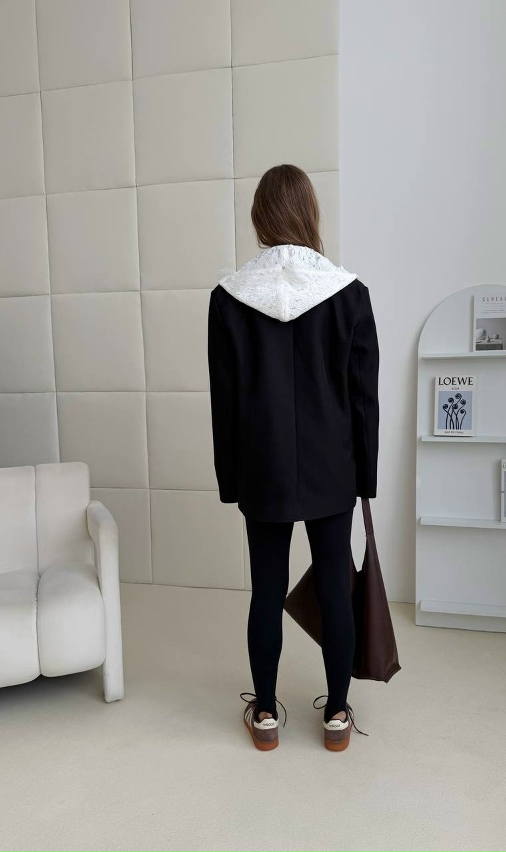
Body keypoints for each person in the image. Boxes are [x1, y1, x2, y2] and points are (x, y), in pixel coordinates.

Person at [207, 164, 380, 751]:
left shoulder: (229, 298)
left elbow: (225, 401)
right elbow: (363, 400)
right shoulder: (349, 293)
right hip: (334, 467)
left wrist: (231, 480)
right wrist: (365, 477)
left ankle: (264, 714)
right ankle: (337, 714)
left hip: (264, 467)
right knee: (335, 585)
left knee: (265, 590)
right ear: (310, 213)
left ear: (261, 217)